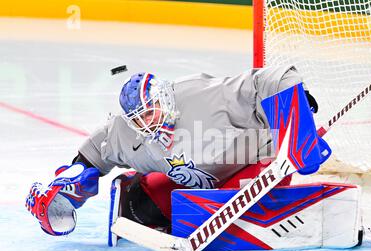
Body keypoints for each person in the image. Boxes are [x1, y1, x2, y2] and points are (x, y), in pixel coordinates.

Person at [25, 65, 319, 237]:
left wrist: (297, 111)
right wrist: (71, 185)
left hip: (255, 163)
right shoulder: (128, 130)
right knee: (136, 210)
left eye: (150, 111)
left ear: (164, 97)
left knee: (226, 219)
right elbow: (93, 154)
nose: (146, 122)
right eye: (138, 117)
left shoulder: (204, 95)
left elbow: (275, 78)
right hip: (199, 181)